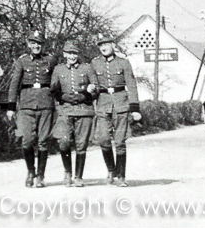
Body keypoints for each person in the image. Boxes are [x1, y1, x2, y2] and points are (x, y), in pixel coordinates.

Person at [5, 30, 59, 188]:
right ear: (29, 44)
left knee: (43, 142)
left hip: (45, 104)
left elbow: (57, 81)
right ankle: (30, 171)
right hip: (26, 105)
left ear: (43, 45)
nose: (36, 46)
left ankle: (41, 176)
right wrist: (11, 107)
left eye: (39, 43)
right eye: (33, 43)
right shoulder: (22, 61)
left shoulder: (51, 60)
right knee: (27, 141)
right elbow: (14, 84)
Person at [90, 33, 140, 187]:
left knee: (119, 142)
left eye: (106, 44)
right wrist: (92, 88)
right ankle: (111, 169)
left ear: (113, 45)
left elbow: (131, 85)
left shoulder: (123, 63)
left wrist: (135, 108)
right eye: (101, 45)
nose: (103, 47)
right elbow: (94, 84)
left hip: (121, 105)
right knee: (104, 139)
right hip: (103, 105)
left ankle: (121, 177)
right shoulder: (94, 63)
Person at [50, 41, 96, 187]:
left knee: (81, 145)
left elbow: (96, 88)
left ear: (78, 54)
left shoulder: (87, 68)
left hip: (84, 110)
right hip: (65, 111)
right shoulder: (58, 69)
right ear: (64, 54)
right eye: (69, 53)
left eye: (74, 53)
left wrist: (87, 95)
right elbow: (53, 89)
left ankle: (79, 177)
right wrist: (63, 97)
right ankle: (68, 172)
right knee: (63, 142)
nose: (72, 56)